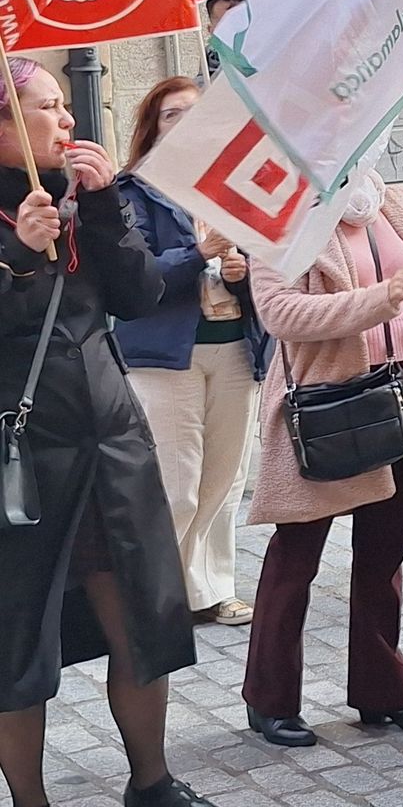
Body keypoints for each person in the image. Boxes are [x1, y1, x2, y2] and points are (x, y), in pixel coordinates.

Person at [0, 58, 216, 807]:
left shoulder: (80, 197)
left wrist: (102, 208)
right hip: (23, 461)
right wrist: (18, 257)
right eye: (48, 108)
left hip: (110, 445)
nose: (67, 121)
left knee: (141, 621)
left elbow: (141, 292)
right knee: (17, 643)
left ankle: (151, 780)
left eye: (66, 105)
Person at [241, 159, 403, 745]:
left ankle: (384, 692)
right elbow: (279, 312)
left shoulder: (397, 202)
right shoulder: (284, 213)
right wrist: (377, 299)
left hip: (400, 397)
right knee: (296, 552)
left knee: (384, 553)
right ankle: (270, 698)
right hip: (329, 405)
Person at [117, 77, 269, 627]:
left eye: (195, 114)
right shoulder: (130, 192)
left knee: (224, 480)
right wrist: (197, 252)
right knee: (175, 484)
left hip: (234, 349)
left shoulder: (236, 187)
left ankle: (211, 589)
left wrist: (242, 272)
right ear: (152, 128)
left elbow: (274, 268)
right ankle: (158, 596)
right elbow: (133, 279)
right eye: (170, 114)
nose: (184, 123)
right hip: (164, 356)